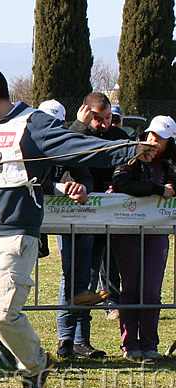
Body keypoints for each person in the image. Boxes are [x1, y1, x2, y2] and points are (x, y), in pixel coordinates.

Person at [0, 64, 155, 388]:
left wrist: (130, 149)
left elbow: (79, 145)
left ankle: (36, 363)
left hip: (12, 236)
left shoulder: (33, 124)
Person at [38, 99, 107, 359]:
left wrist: (82, 187)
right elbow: (28, 178)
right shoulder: (27, 142)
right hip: (28, 218)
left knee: (82, 278)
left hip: (69, 216)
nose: (49, 129)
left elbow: (83, 172)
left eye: (55, 125)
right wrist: (59, 188)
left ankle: (75, 340)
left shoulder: (63, 141)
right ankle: (5, 345)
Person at [111, 115, 176, 361]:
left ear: (170, 141)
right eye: (151, 134)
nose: (153, 140)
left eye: (160, 137)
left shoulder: (171, 161)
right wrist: (158, 189)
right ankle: (130, 344)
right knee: (131, 287)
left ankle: (150, 344)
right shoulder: (132, 154)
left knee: (151, 290)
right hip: (127, 229)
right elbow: (120, 183)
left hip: (157, 232)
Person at [70, 92, 129, 320]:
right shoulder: (75, 133)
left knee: (103, 265)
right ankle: (71, 338)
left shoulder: (119, 135)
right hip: (79, 211)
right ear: (86, 113)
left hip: (112, 209)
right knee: (78, 276)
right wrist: (80, 126)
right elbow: (64, 155)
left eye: (108, 117)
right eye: (99, 119)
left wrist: (119, 184)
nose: (105, 124)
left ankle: (83, 336)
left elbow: (127, 165)